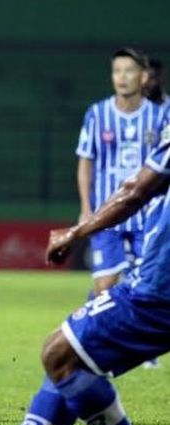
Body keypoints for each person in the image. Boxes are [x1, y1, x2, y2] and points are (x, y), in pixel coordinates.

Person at [8, 121, 170, 425]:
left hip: (157, 292)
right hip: (153, 284)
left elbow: (135, 192)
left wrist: (76, 232)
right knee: (71, 360)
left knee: (59, 354)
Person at [76, 48, 166, 297]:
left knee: (147, 288)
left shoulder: (159, 117)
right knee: (105, 287)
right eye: (117, 71)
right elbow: (86, 162)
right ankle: (97, 309)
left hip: (146, 217)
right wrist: (86, 209)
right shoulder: (97, 114)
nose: (122, 77)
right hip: (106, 213)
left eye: (129, 70)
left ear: (143, 77)